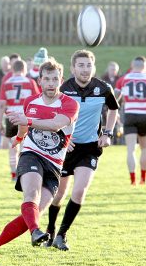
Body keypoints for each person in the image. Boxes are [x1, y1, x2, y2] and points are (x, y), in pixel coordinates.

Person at [0, 59, 79, 266]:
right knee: (31, 196)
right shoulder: (31, 102)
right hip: (31, 154)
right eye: (47, 79)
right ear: (40, 81)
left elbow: (55, 125)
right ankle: (36, 232)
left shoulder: (70, 104)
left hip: (54, 164)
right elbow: (24, 129)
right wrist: (17, 139)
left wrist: (28, 121)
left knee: (33, 214)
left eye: (55, 79)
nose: (51, 83)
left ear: (61, 80)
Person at [44, 50, 119, 251]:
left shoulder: (104, 88)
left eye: (88, 65)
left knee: (80, 191)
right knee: (59, 195)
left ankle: (62, 235)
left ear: (93, 68)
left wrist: (108, 133)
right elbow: (51, 115)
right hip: (65, 148)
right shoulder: (63, 89)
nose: (85, 69)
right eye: (81, 65)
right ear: (73, 68)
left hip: (90, 149)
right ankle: (50, 230)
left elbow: (113, 109)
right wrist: (62, 138)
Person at [115, 56, 146, 185]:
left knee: (131, 149)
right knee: (145, 149)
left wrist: (115, 114)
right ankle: (143, 179)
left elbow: (115, 99)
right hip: (144, 115)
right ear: (145, 66)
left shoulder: (123, 79)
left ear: (132, 65)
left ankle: (133, 180)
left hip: (130, 115)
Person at [0, 59, 40, 181]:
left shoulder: (6, 83)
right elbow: (36, 101)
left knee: (12, 147)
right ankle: (23, 172)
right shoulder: (30, 82)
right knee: (24, 147)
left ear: (12, 69)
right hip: (24, 118)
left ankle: (13, 174)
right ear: (24, 69)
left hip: (11, 118)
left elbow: (1, 104)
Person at [101, 61, 123, 144]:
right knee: (105, 123)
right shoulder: (103, 79)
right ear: (108, 70)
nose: (113, 71)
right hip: (105, 105)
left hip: (118, 105)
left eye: (114, 69)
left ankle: (117, 141)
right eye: (111, 69)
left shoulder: (120, 79)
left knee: (117, 123)